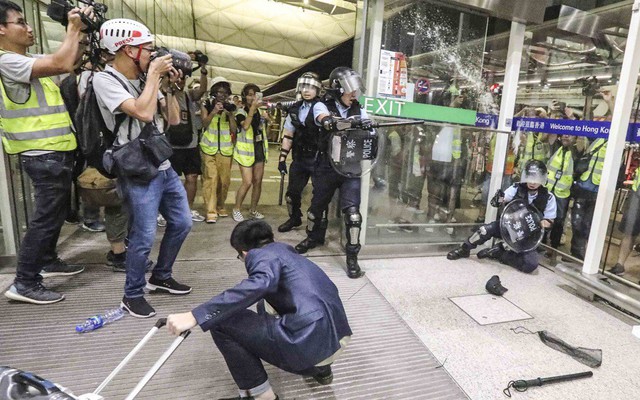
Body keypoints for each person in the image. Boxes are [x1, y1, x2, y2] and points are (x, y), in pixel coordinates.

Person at [166, 220, 352, 400]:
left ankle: (262, 396)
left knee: (221, 322)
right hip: (336, 336)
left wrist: (195, 315)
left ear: (245, 253)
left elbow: (260, 284)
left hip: (310, 345)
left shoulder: (260, 255)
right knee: (265, 303)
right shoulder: (286, 252)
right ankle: (322, 371)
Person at [94, 18, 193, 318]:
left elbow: (173, 121)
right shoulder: (105, 80)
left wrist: (171, 88)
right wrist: (152, 78)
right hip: (136, 169)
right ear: (125, 50)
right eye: (147, 49)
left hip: (162, 165)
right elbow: (142, 111)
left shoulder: (143, 78)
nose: (152, 55)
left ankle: (161, 275)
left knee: (183, 222)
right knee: (143, 236)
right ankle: (132, 294)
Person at [1, 0, 92, 304]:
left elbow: (71, 59)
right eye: (20, 22)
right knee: (44, 218)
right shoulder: (6, 61)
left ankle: (47, 259)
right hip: (41, 152)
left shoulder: (25, 57)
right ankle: (24, 281)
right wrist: (72, 27)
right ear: (1, 29)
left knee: (52, 215)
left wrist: (81, 33)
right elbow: (63, 64)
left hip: (54, 150)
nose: (28, 28)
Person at [294, 67, 371, 279]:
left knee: (353, 215)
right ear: (338, 89)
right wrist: (337, 122)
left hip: (351, 169)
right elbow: (323, 119)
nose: (354, 94)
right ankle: (313, 238)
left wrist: (368, 125)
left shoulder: (360, 109)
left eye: (356, 90)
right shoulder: (322, 104)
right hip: (326, 166)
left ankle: (352, 257)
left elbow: (370, 132)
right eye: (350, 90)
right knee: (316, 208)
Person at [446, 160, 556, 273]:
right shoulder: (516, 188)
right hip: (508, 225)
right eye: (530, 177)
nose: (532, 182)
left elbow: (549, 221)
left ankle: (500, 254)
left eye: (536, 179)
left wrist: (541, 223)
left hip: (527, 237)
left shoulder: (548, 197)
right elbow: (502, 198)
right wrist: (498, 199)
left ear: (542, 178)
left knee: (530, 265)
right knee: (484, 230)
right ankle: (465, 249)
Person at [277, 72, 324, 233]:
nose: (307, 90)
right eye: (304, 86)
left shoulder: (322, 108)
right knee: (292, 194)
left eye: (311, 87)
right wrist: (282, 159)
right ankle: (294, 218)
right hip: (299, 157)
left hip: (318, 158)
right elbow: (288, 135)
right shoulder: (294, 109)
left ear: (317, 89)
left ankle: (316, 228)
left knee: (319, 196)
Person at [165, 61, 208, 223]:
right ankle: (167, 211)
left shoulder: (189, 95)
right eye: (177, 78)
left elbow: (202, 89)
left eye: (183, 79)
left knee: (192, 178)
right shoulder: (165, 93)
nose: (180, 82)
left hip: (191, 145)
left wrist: (203, 72)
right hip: (172, 145)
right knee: (171, 181)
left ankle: (187, 208)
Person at [200, 76, 237, 223]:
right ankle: (211, 211)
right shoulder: (207, 104)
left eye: (225, 92)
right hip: (208, 148)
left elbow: (234, 129)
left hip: (226, 149)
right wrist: (214, 111)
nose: (222, 94)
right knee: (210, 179)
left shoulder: (230, 107)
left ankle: (221, 205)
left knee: (224, 181)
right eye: (219, 91)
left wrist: (231, 115)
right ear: (214, 91)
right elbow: (204, 124)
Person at [232, 83, 269, 222]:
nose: (251, 97)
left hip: (259, 149)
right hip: (245, 152)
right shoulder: (241, 112)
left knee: (258, 182)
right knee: (247, 182)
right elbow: (246, 126)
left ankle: (253, 210)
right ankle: (236, 208)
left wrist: (264, 118)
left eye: (255, 94)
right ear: (244, 96)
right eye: (249, 94)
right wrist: (252, 109)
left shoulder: (259, 112)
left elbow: (259, 128)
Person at [544, 134, 576, 251]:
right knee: (543, 216)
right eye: (564, 134)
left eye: (569, 135)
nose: (566, 137)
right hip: (548, 189)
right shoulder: (556, 147)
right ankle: (540, 244)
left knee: (558, 222)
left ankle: (553, 249)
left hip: (562, 193)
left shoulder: (575, 151)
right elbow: (552, 134)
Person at [607, 171, 640, 277]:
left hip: (636, 196)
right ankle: (619, 265)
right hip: (637, 196)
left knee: (629, 232)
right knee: (629, 232)